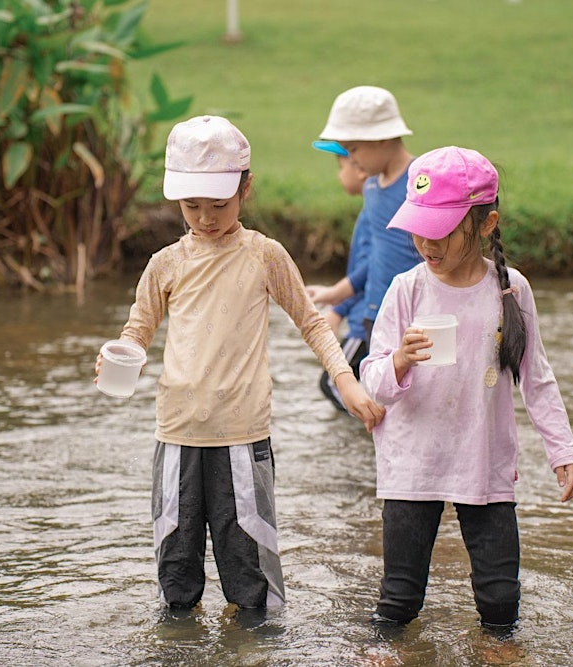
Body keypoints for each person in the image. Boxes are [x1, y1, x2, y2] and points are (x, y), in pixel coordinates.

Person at [94, 115, 385, 612]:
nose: (205, 218)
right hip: (177, 432)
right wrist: (121, 358)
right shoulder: (165, 263)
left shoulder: (263, 255)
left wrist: (347, 381)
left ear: (245, 189)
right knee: (176, 572)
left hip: (241, 434)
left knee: (251, 575)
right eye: (192, 206)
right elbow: (138, 330)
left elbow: (312, 323)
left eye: (219, 205)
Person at [359, 146, 573, 630]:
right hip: (413, 462)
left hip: (484, 458)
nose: (426, 243)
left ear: (484, 224)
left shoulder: (510, 290)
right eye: (419, 228)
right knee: (399, 599)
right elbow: (372, 381)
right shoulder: (407, 289)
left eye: (440, 230)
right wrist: (399, 360)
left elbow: (536, 376)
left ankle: (499, 652)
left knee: (501, 600)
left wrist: (561, 448)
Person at [305, 86, 422, 382]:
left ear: (382, 138)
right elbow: (375, 260)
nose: (351, 161)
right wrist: (336, 294)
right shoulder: (371, 187)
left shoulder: (419, 182)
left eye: (354, 149)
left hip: (415, 317)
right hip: (376, 317)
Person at [305, 139, 370, 411]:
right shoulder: (372, 210)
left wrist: (338, 308)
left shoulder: (372, 216)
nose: (339, 173)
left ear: (359, 167)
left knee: (332, 383)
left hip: (364, 322)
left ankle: (376, 434)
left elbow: (368, 270)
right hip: (366, 316)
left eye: (340, 165)